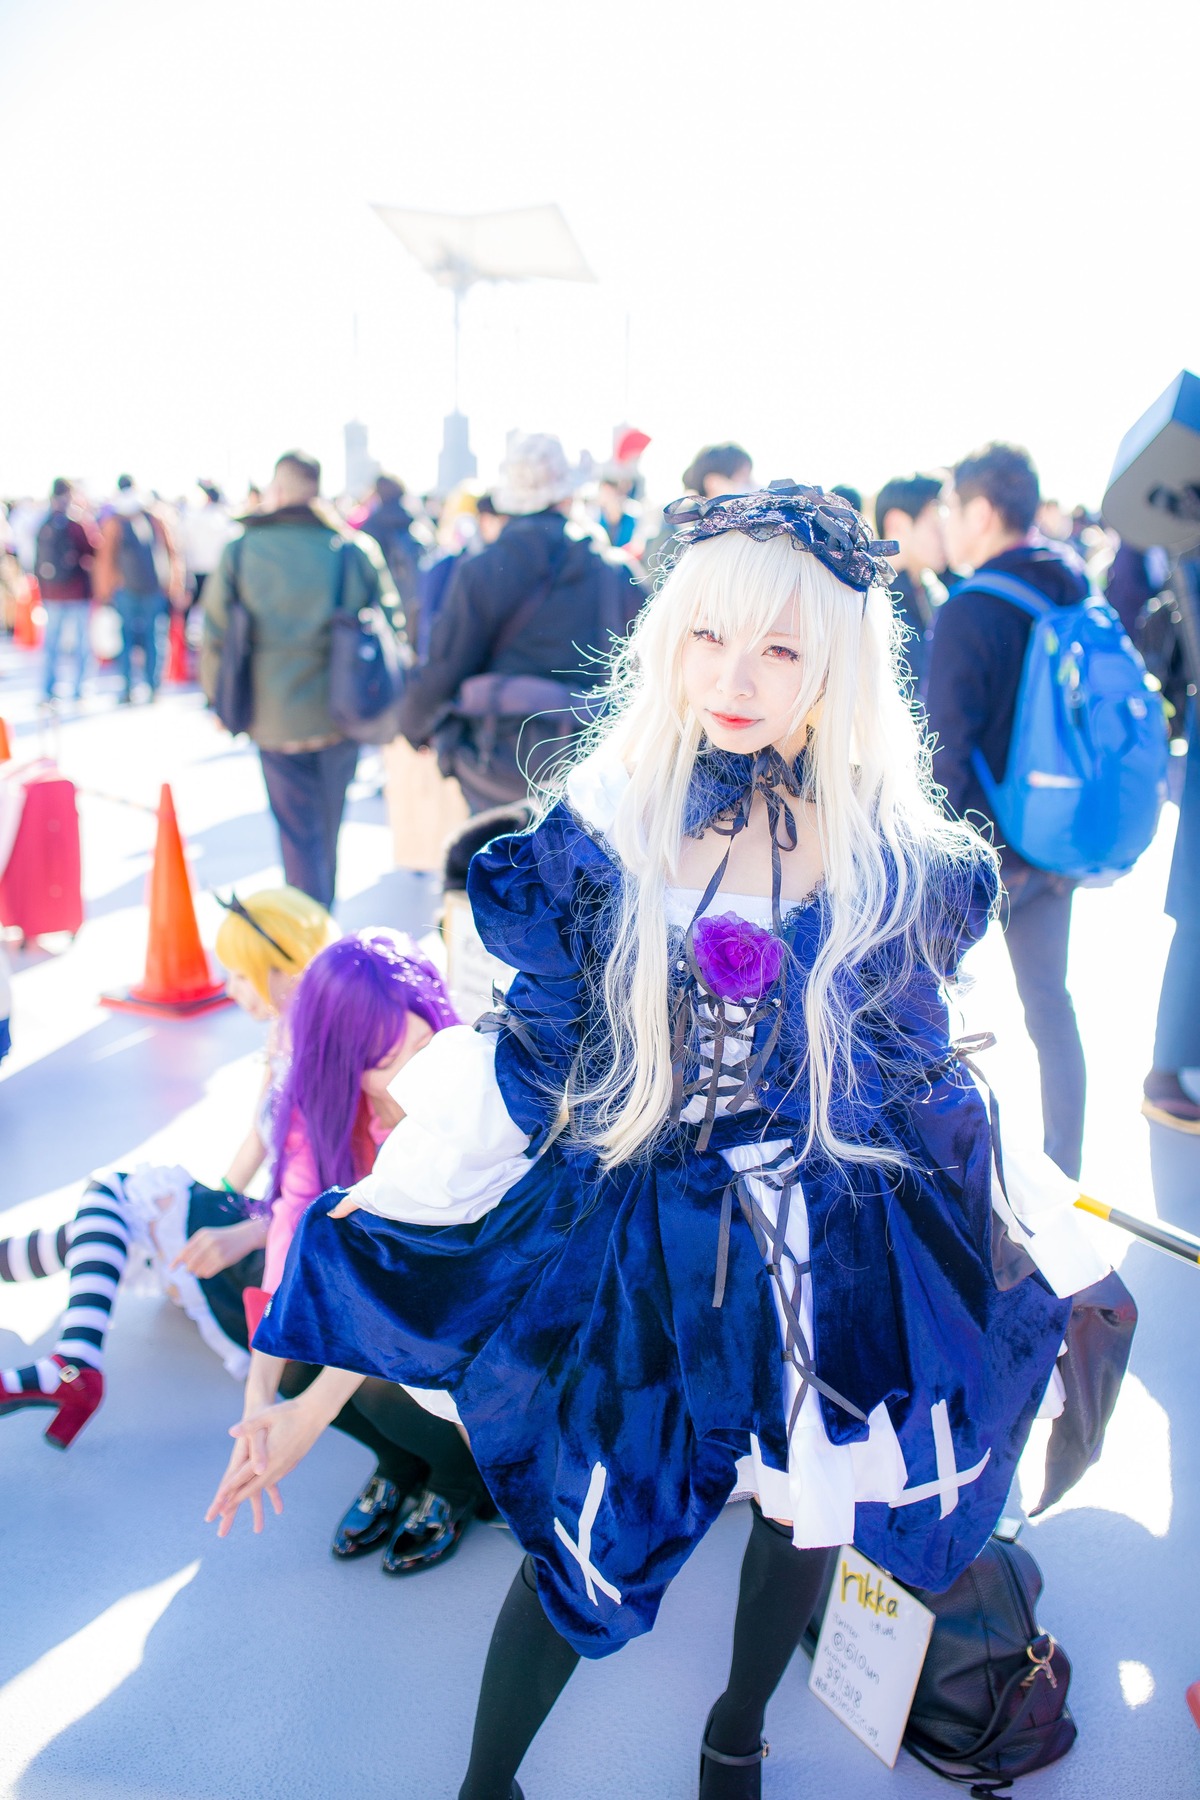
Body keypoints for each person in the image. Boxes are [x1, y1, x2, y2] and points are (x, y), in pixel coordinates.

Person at [209, 483, 1124, 1799]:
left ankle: (735, 1730)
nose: (735, 678)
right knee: (583, 1511)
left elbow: (932, 1089)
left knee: (802, 1501)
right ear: (669, 637)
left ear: (836, 668)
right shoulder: (608, 830)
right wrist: (301, 1400)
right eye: (709, 637)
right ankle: (487, 1785)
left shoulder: (890, 857)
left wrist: (1052, 1227)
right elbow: (502, 1093)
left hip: (826, 1237)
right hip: (641, 1229)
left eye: (780, 648)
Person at [0, 886, 339, 1444]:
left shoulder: (329, 1053)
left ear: (283, 971)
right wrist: (219, 1200)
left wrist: (239, 1229)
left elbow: (341, 1192)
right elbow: (259, 1139)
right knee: (114, 1219)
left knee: (115, 1198)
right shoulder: (286, 1031)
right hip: (265, 1224)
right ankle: (69, 1365)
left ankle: (71, 1365)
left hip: (292, 1261)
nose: (230, 989)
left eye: (238, 974)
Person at [926, 443, 1092, 1180]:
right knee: (1050, 1009)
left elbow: (944, 748)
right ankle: (1063, 1174)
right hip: (1060, 840)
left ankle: (948, 1178)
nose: (948, 522)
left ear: (983, 512)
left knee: (926, 1012)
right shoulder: (1073, 590)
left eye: (954, 507)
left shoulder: (970, 608)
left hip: (985, 850)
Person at [397, 434, 643, 813]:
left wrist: (414, 726)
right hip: (589, 764)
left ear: (509, 500)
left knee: (497, 868)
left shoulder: (482, 570)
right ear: (567, 496)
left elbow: (447, 662)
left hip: (493, 761)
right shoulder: (613, 570)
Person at [199, 450, 400, 908]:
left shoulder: (242, 549)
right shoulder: (352, 548)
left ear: (280, 491)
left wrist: (219, 701)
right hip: (342, 714)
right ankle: (320, 916)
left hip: (273, 718)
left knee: (295, 834)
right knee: (329, 829)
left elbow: (213, 637)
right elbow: (392, 627)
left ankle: (309, 927)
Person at [93, 476, 184, 702]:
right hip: (142, 589)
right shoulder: (151, 517)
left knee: (135, 640)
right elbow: (172, 553)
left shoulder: (130, 520)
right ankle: (144, 687)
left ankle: (137, 688)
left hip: (136, 590)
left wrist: (105, 592)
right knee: (147, 639)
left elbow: (105, 559)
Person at [874, 473, 948, 693]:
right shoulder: (865, 599)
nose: (946, 536)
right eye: (935, 526)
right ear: (897, 524)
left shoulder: (933, 591)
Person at [35, 478, 99, 703]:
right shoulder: (77, 522)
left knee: (51, 644)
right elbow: (93, 551)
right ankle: (81, 688)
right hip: (77, 593)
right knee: (82, 644)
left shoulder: (45, 521)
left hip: (52, 594)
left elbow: (36, 561)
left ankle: (47, 689)